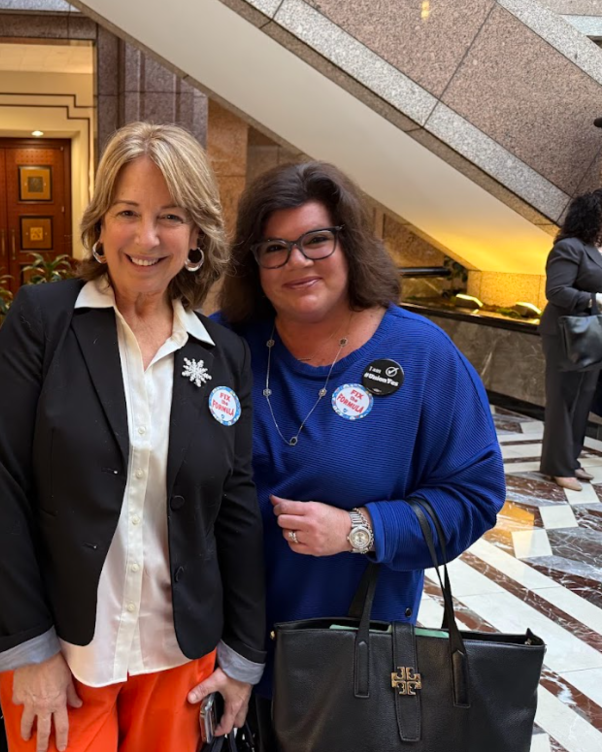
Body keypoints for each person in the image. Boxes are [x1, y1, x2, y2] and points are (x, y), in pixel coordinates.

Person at [0, 122, 266, 752]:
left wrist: (243, 654)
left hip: (181, 656)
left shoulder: (223, 355)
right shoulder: (43, 321)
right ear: (101, 225)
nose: (146, 237)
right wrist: (27, 648)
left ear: (196, 236)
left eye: (170, 217)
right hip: (64, 654)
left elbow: (235, 507)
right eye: (127, 212)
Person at [216, 161, 506, 746]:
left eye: (316, 240)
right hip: (221, 652)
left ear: (349, 243)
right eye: (274, 248)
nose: (297, 261)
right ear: (254, 263)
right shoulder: (222, 345)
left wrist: (360, 529)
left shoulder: (422, 355)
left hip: (353, 665)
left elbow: (474, 496)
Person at [539, 190, 602, 489]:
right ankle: (557, 466)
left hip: (590, 333)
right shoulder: (568, 247)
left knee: (582, 400)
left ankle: (571, 461)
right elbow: (556, 291)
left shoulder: (593, 249)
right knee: (562, 401)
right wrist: (595, 299)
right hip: (565, 334)